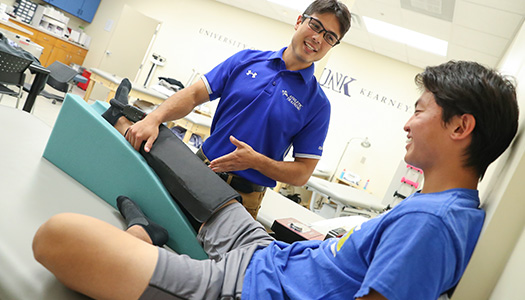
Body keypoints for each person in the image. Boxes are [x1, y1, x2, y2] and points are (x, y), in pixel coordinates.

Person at [33, 60, 519, 300]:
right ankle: (126, 121)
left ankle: (141, 235)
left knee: (57, 236)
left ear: (460, 127)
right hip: (269, 252)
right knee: (180, 159)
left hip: (245, 286)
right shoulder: (440, 207)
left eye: (419, 112)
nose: (408, 124)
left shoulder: (432, 226)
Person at [120, 0, 352, 219]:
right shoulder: (246, 61)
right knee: (160, 234)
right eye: (315, 25)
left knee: (205, 260)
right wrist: (154, 118)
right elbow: (193, 95)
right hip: (196, 171)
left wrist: (256, 161)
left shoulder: (318, 105)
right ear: (300, 20)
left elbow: (302, 173)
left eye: (330, 36)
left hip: (242, 199)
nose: (318, 38)